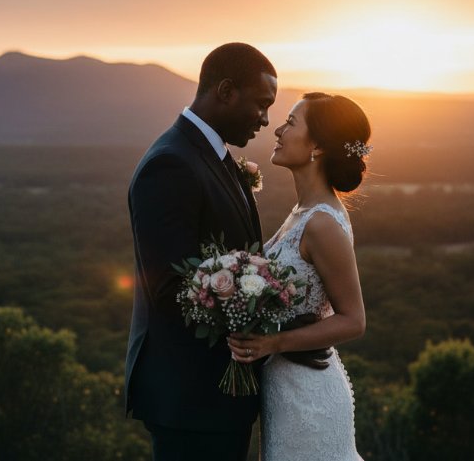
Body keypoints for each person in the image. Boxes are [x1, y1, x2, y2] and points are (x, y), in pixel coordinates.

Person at [125, 42, 278, 461]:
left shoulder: (214, 156)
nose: (266, 119)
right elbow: (170, 287)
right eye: (261, 104)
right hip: (191, 400)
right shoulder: (170, 164)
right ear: (226, 91)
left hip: (219, 401)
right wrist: (250, 307)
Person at [227, 92, 371, 461]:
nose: (278, 129)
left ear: (318, 146)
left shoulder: (322, 223)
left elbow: (353, 320)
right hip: (284, 390)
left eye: (291, 123)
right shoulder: (302, 211)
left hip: (309, 400)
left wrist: (272, 343)